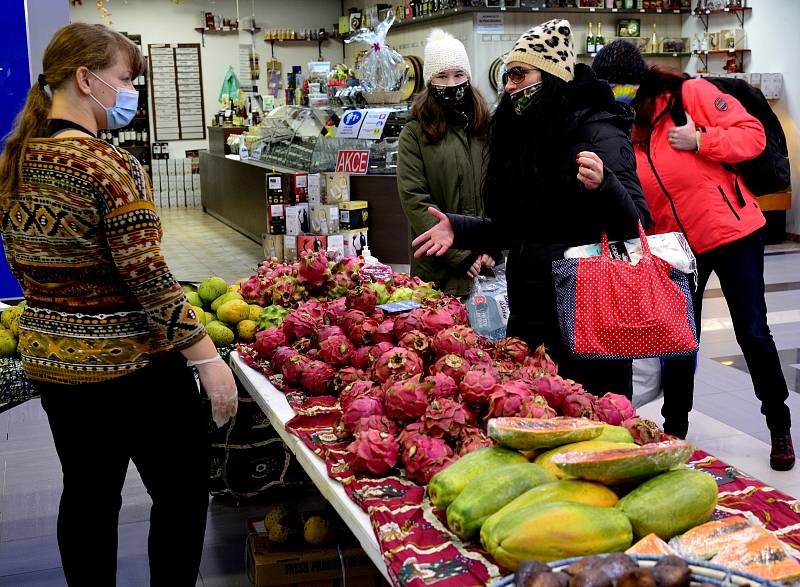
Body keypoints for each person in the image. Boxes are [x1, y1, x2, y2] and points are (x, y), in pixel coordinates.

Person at [0, 23, 238, 585]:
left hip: (55, 363)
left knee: (87, 494)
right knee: (180, 493)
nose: (132, 92)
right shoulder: (106, 163)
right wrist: (208, 360)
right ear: (86, 79)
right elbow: (150, 280)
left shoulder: (15, 161)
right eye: (126, 79)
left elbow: (27, 267)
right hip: (130, 367)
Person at [412, 20, 651, 398]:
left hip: (587, 317)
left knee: (590, 422)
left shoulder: (598, 129)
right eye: (507, 76)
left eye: (519, 75)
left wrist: (606, 185)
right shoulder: (524, 132)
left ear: (552, 74)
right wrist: (458, 229)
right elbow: (514, 228)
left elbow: (637, 222)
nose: (508, 86)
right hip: (532, 312)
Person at [592, 40, 794, 470]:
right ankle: (673, 431)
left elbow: (752, 136)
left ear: (639, 80)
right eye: (610, 88)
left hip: (733, 231)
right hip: (676, 248)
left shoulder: (690, 95)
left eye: (624, 86)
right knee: (680, 343)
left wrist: (701, 138)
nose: (619, 95)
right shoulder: (615, 124)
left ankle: (779, 425)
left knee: (753, 333)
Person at [397, 29, 497, 297]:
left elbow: (502, 189)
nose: (452, 82)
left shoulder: (486, 126)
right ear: (431, 80)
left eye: (458, 74)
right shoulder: (414, 133)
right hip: (436, 273)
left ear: (468, 76)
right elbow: (415, 199)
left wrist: (493, 247)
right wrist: (462, 255)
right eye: (442, 75)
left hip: (488, 271)